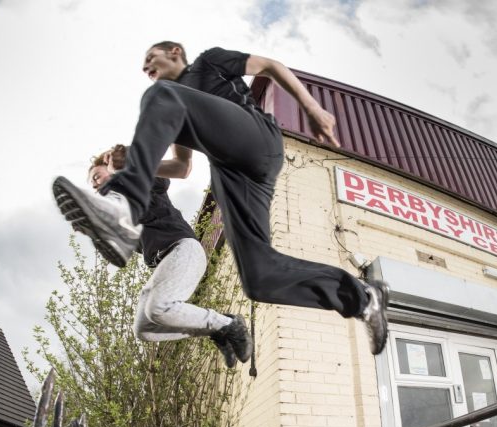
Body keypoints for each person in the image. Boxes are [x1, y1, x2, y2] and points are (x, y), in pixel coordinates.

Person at [52, 43, 389, 355]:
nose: (145, 67)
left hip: (256, 141)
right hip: (234, 175)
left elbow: (270, 66)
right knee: (260, 278)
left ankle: (124, 213)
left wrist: (312, 107)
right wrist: (134, 164)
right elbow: (182, 168)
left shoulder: (208, 63)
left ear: (174, 52)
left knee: (160, 95)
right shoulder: (177, 106)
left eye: (150, 58)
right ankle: (362, 299)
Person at [87, 144, 252, 368]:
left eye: (96, 177)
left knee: (158, 307)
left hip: (183, 249)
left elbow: (161, 179)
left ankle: (228, 325)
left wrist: (125, 168)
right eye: (92, 185)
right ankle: (217, 329)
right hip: (165, 263)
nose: (95, 184)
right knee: (144, 328)